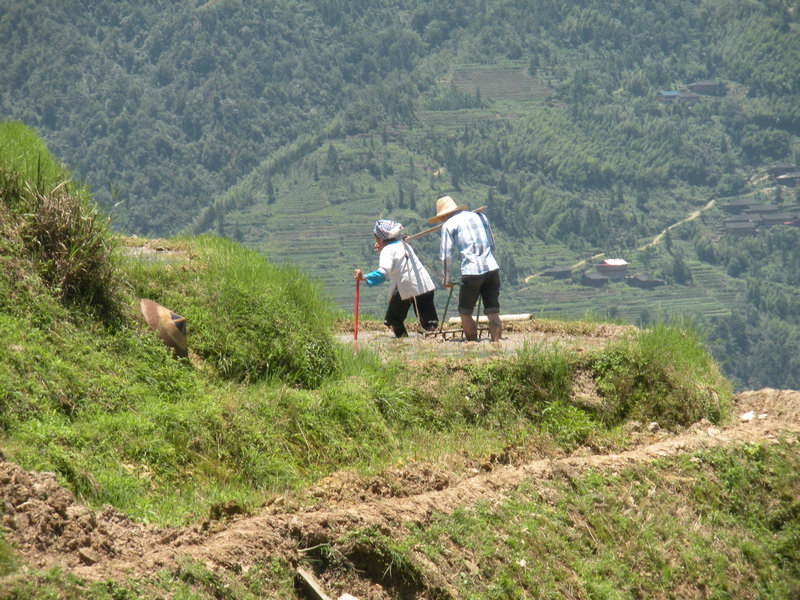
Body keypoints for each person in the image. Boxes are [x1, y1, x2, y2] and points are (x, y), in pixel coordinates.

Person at [428, 195, 502, 341]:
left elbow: (446, 256)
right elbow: (492, 244)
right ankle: (497, 346)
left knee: (465, 313)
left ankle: (472, 345)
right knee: (492, 311)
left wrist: (446, 279)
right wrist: (489, 261)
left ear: (443, 216)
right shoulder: (480, 217)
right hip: (492, 268)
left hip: (471, 271)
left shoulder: (448, 225)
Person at [354, 219, 439, 338]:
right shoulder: (404, 244)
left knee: (394, 318)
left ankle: (402, 340)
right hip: (424, 284)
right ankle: (433, 340)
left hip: (407, 287)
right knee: (429, 321)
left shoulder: (387, 251)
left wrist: (364, 277)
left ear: (379, 238)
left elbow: (383, 273)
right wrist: (383, 248)